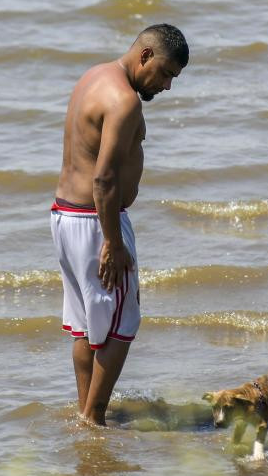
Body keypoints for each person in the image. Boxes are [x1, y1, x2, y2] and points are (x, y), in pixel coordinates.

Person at [51, 24, 189, 426]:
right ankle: (94, 419)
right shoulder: (125, 100)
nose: (166, 87)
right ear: (145, 55)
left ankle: (86, 413)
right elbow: (104, 179)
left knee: (85, 325)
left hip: (65, 217)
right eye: (165, 74)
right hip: (97, 222)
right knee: (121, 324)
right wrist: (112, 242)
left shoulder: (94, 76)